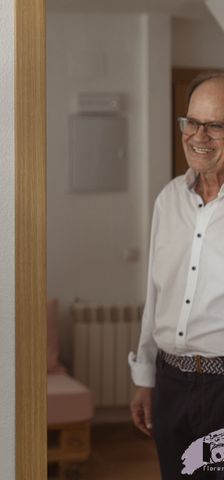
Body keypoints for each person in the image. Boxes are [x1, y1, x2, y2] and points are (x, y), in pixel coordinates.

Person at [129, 72, 224, 479]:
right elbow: (157, 294)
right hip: (170, 384)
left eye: (216, 125)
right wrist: (145, 377)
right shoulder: (168, 200)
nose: (198, 136)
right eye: (192, 122)